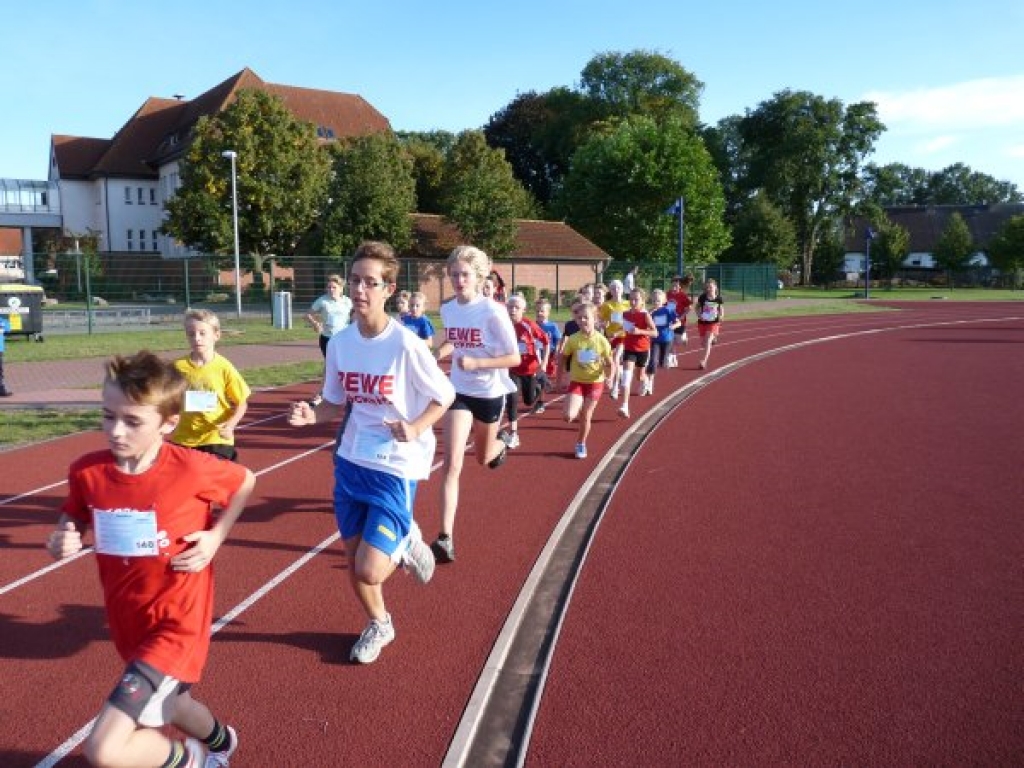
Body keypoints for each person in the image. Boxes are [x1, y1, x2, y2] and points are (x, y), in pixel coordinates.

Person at [46, 350, 255, 768]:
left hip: (177, 624)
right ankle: (221, 741)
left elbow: (245, 480)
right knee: (175, 703)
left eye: (132, 421)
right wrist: (63, 535)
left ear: (169, 423)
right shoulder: (88, 473)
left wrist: (216, 536)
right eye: (108, 416)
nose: (116, 431)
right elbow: (74, 513)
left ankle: (192, 760)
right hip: (128, 619)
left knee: (105, 749)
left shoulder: (191, 469)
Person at [287, 241, 454, 664]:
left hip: (395, 465)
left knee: (370, 568)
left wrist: (414, 427)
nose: (361, 289)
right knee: (352, 558)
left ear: (389, 289)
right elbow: (332, 403)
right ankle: (380, 623)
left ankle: (407, 537)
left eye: (371, 282)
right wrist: (312, 415)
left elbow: (445, 395)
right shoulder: (340, 344)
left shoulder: (405, 345)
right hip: (351, 460)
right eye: (356, 280)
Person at [432, 245, 521, 563]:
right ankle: (445, 538)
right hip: (458, 391)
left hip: (489, 392)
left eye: (464, 274)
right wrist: (436, 354)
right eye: (454, 274)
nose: (458, 280)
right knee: (451, 462)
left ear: (478, 276)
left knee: (483, 458)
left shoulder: (494, 312)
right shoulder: (448, 309)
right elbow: (453, 339)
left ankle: (501, 444)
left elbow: (515, 357)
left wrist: (478, 364)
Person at [170, 309, 250, 462]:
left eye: (202, 333)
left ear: (216, 335)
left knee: (216, 483)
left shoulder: (224, 367)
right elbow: (164, 397)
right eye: (191, 334)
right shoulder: (177, 367)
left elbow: (241, 403)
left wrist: (230, 425)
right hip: (184, 439)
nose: (196, 338)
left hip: (216, 438)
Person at [557, 301, 613, 460]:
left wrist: (611, 378)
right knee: (568, 416)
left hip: (595, 383)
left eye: (586, 318)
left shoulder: (602, 340)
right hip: (577, 382)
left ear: (595, 319)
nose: (582, 321)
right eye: (579, 318)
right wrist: (559, 380)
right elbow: (562, 358)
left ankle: (581, 443)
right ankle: (576, 406)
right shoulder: (573, 339)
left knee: (586, 415)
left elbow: (611, 363)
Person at [502, 294, 549, 448]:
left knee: (529, 400)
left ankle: (539, 386)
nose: (513, 310)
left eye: (517, 308)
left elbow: (546, 342)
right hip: (512, 369)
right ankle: (514, 433)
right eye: (510, 307)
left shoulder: (529, 325)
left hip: (530, 370)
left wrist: (545, 363)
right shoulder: (502, 325)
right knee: (512, 399)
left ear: (523, 310)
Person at [306, 275, 353, 405]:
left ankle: (344, 391)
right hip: (328, 339)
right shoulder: (323, 301)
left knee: (344, 365)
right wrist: (315, 324)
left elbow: (355, 316)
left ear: (341, 289)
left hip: (344, 339)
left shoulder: (348, 302)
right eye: (329, 287)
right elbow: (308, 314)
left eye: (334, 287)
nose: (331, 290)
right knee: (330, 365)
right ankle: (321, 395)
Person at [616, 288, 657, 419]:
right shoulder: (625, 314)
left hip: (643, 350)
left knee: (639, 377)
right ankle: (624, 405)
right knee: (627, 376)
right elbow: (624, 328)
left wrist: (640, 331)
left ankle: (646, 380)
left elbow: (655, 332)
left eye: (636, 299)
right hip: (629, 349)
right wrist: (615, 334)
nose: (633, 302)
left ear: (642, 301)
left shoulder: (645, 315)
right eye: (631, 299)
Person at [598, 279, 630, 399]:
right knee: (608, 361)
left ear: (622, 290)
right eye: (613, 288)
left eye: (618, 288)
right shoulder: (607, 305)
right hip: (609, 337)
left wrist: (618, 333)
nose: (616, 290)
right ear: (610, 291)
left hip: (622, 336)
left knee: (616, 359)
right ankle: (618, 372)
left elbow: (629, 323)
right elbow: (602, 320)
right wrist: (603, 325)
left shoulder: (627, 304)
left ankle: (615, 387)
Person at [645, 288, 680, 394]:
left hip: (667, 339)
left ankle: (669, 358)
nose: (656, 303)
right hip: (655, 339)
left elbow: (679, 323)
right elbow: (644, 324)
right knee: (652, 361)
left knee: (663, 363)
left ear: (664, 301)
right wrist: (649, 314)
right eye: (654, 300)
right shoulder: (650, 312)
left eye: (658, 301)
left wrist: (672, 326)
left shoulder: (668, 310)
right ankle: (650, 383)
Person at [533, 298, 563, 413]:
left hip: (548, 354)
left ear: (548, 313)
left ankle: (540, 402)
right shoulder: (532, 325)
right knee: (536, 378)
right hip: (535, 355)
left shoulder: (552, 326)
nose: (539, 313)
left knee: (541, 377)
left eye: (542, 311)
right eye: (537, 311)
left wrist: (556, 351)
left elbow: (558, 339)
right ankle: (545, 384)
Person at [696, 278, 725, 370]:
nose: (709, 289)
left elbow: (721, 308)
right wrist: (699, 315)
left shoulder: (718, 298)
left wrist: (721, 316)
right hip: (703, 322)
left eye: (711, 287)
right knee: (703, 343)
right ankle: (713, 339)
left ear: (715, 287)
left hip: (713, 322)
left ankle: (703, 361)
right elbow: (697, 307)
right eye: (707, 287)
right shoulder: (703, 297)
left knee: (708, 340)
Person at [667, 275, 694, 359]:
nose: (674, 287)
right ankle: (672, 358)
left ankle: (684, 338)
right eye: (673, 285)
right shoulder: (667, 294)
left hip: (680, 322)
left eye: (676, 285)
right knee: (670, 340)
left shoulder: (682, 295)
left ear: (680, 286)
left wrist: (682, 316)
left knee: (679, 341)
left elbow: (690, 308)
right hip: (670, 321)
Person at [0, 313, 12, 396]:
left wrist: (2, 327)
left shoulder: (2, 320)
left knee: (0, 370)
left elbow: (8, 328)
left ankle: (1, 389)